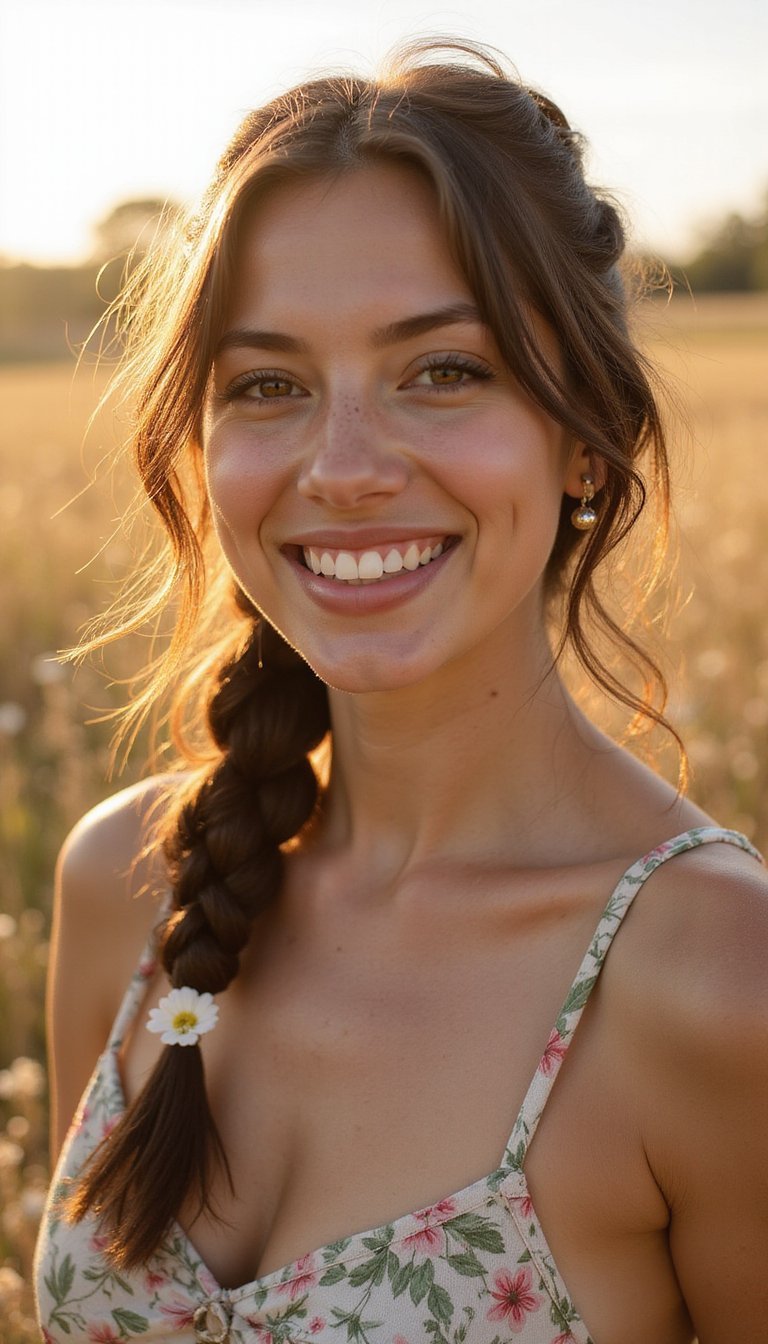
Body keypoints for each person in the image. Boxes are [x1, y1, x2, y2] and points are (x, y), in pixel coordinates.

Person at [34, 38, 767, 1344]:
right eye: (268, 386)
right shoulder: (129, 882)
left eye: (443, 371)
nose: (347, 466)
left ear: (586, 440)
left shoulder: (719, 981)